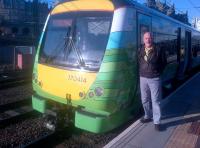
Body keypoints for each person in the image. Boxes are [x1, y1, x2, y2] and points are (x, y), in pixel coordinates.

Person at [138, 32, 167, 131]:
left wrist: (157, 72)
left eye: (150, 38)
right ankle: (147, 116)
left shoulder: (158, 49)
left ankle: (157, 122)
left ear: (152, 39)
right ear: (143, 39)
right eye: (146, 38)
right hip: (143, 78)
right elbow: (139, 61)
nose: (148, 40)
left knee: (156, 101)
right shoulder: (140, 49)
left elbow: (164, 62)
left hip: (154, 78)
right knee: (144, 99)